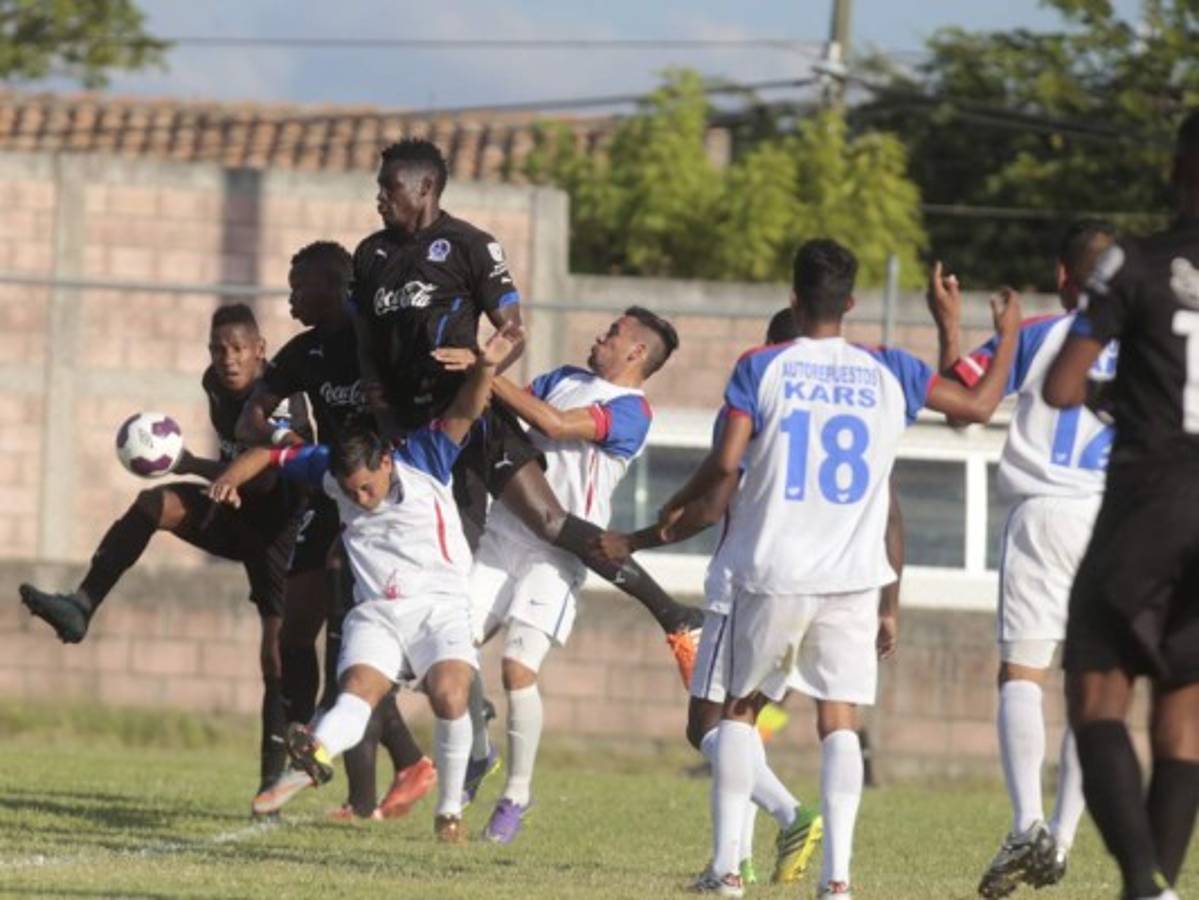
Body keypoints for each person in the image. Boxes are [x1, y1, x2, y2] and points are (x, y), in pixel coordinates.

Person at [651, 239, 1019, 897]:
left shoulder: (761, 366)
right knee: (838, 720)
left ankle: (726, 872)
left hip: (773, 570)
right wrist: (1005, 336)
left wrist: (669, 512)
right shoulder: (888, 368)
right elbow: (978, 407)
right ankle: (838, 881)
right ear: (851, 303)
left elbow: (727, 462)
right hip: (853, 576)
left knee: (736, 712)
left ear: (793, 297)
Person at [350, 140, 704, 710]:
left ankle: (676, 614)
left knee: (548, 520)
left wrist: (482, 371)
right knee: (446, 585)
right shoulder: (368, 256)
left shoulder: (470, 246)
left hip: (473, 416)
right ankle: (457, 724)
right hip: (413, 433)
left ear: (423, 188)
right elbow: (365, 340)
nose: (378, 197)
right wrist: (378, 398)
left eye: (388, 187)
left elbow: (514, 335)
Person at [594, 305, 904, 889]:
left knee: (722, 718)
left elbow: (713, 499)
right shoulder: (863, 400)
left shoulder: (762, 393)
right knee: (837, 720)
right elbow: (892, 514)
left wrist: (635, 539)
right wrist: (891, 604)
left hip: (756, 584)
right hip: (846, 586)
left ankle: (739, 858)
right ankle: (834, 879)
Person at [213, 323, 521, 843]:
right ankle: (309, 760)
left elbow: (467, 409)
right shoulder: (331, 470)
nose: (360, 498)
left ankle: (449, 814)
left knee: (450, 694)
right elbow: (271, 451)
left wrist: (486, 367)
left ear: (384, 460)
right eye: (350, 491)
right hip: (377, 611)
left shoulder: (424, 457)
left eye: (367, 487)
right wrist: (229, 479)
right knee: (356, 692)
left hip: (440, 607)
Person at [19, 304, 308, 805]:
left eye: (238, 348)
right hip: (233, 508)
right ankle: (82, 605)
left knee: (276, 654)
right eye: (219, 349)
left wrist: (213, 471)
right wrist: (199, 468)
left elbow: (275, 466)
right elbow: (231, 463)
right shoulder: (215, 386)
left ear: (260, 350)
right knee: (156, 504)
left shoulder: (284, 396)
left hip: (284, 529)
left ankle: (273, 781)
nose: (228, 359)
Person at [430, 306, 676, 844]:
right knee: (450, 649)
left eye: (613, 333)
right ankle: (478, 752)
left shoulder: (633, 410)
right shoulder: (563, 378)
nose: (599, 334)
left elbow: (555, 423)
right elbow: (514, 417)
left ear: (636, 353)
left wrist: (485, 368)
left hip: (560, 553)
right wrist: (479, 378)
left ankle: (516, 794)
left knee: (519, 668)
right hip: (504, 533)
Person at [928, 223, 1118, 898]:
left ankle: (1026, 823)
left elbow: (961, 409)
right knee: (1093, 685)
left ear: (1062, 277)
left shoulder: (1037, 333)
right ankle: (1061, 839)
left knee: (1021, 673)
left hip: (1045, 513)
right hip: (1118, 521)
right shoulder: (1158, 338)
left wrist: (947, 327)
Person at [1041, 113, 1199, 900]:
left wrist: (1115, 392)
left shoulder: (1134, 263)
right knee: (1184, 714)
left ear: (1177, 168)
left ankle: (1142, 885)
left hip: (1150, 498)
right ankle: (1160, 885)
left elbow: (1061, 387)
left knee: (1097, 690)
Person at [236, 241, 433, 821]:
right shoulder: (305, 352)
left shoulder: (380, 339)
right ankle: (303, 737)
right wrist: (287, 444)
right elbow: (255, 414)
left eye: (301, 286)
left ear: (335, 285)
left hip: (380, 504)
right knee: (293, 630)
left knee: (354, 645)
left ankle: (374, 774)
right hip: (328, 493)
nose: (292, 296)